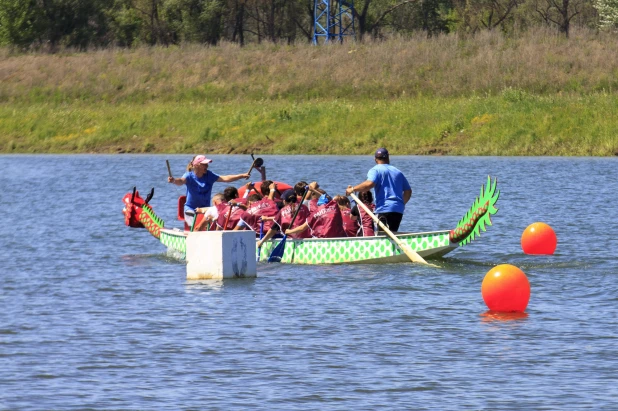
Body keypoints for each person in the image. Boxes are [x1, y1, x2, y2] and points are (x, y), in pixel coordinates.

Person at [168, 155, 250, 227]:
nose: (207, 166)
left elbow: (225, 178)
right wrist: (173, 180)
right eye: (204, 164)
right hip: (191, 210)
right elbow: (181, 181)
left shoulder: (209, 175)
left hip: (205, 210)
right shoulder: (189, 176)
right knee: (197, 225)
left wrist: (241, 176)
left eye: (207, 164)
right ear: (197, 165)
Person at [345, 147, 411, 232]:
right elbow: (408, 191)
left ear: (375, 159)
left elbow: (369, 184)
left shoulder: (375, 170)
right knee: (392, 234)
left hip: (384, 209)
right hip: (398, 210)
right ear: (388, 157)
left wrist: (353, 189)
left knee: (381, 237)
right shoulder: (397, 171)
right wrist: (400, 203)